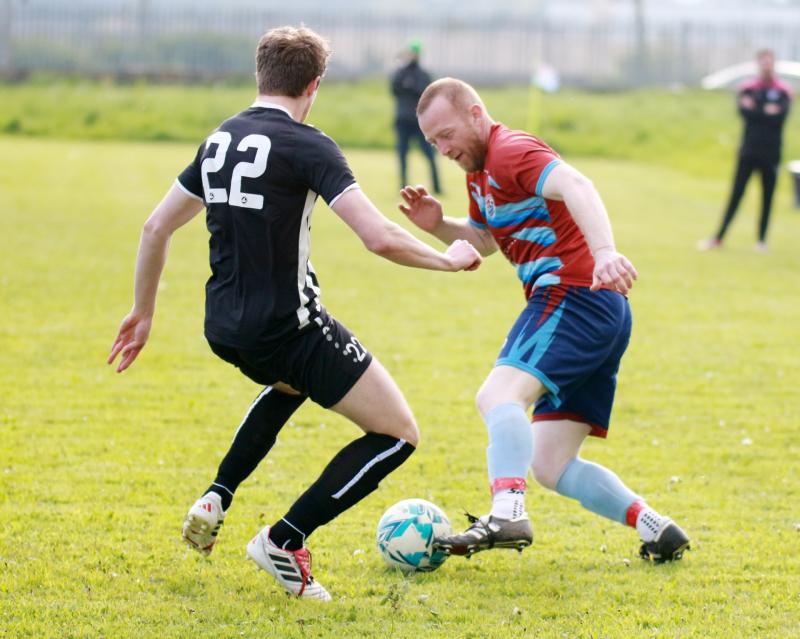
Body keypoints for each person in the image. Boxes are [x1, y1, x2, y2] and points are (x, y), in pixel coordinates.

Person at [107, 27, 481, 602]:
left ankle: (218, 494)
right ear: (314, 85)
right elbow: (378, 237)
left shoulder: (220, 139)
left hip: (224, 328)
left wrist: (143, 312)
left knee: (289, 385)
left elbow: (156, 226)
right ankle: (285, 540)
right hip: (290, 327)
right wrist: (448, 259)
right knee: (398, 434)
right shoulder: (309, 144)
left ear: (261, 75)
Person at [399, 78, 690, 564]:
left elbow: (576, 184)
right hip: (600, 309)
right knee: (550, 464)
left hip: (573, 295)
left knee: (497, 396)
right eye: (433, 143)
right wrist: (439, 226)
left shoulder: (510, 151)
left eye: (446, 135)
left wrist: (604, 253)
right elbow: (488, 239)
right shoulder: (480, 172)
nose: (443, 149)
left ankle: (507, 512)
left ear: (476, 113)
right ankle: (657, 528)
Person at [699, 49, 793, 252]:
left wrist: (757, 110)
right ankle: (719, 237)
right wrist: (766, 110)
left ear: (774, 64)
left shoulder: (784, 91)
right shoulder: (748, 88)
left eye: (769, 63)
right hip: (748, 150)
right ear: (758, 65)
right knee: (736, 195)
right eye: (763, 63)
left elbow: (779, 118)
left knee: (767, 197)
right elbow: (745, 112)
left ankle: (761, 240)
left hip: (772, 152)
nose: (766, 66)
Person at [390, 39, 442, 194]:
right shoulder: (400, 73)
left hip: (420, 122)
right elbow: (395, 89)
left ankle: (437, 186)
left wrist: (410, 87)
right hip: (402, 120)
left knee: (430, 155)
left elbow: (425, 92)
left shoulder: (423, 74)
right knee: (402, 155)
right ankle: (403, 185)